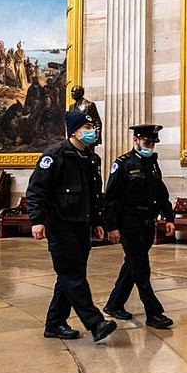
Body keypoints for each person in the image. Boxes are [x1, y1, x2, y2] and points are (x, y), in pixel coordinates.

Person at [26, 111, 117, 342]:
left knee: (69, 276)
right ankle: (95, 323)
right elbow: (37, 190)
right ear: (74, 130)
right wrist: (37, 220)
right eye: (87, 127)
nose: (91, 131)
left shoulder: (90, 158)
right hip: (60, 225)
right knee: (72, 275)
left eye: (92, 127)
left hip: (81, 225)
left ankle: (54, 323)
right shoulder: (55, 154)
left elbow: (94, 195)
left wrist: (98, 222)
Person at [103, 124, 176, 329]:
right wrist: (112, 227)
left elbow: (161, 194)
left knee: (132, 265)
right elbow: (110, 199)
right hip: (129, 223)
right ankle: (154, 313)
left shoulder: (152, 164)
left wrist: (169, 218)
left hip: (147, 223)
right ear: (135, 141)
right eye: (146, 142)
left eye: (152, 143)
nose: (150, 146)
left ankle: (114, 304)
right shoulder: (123, 164)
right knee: (141, 268)